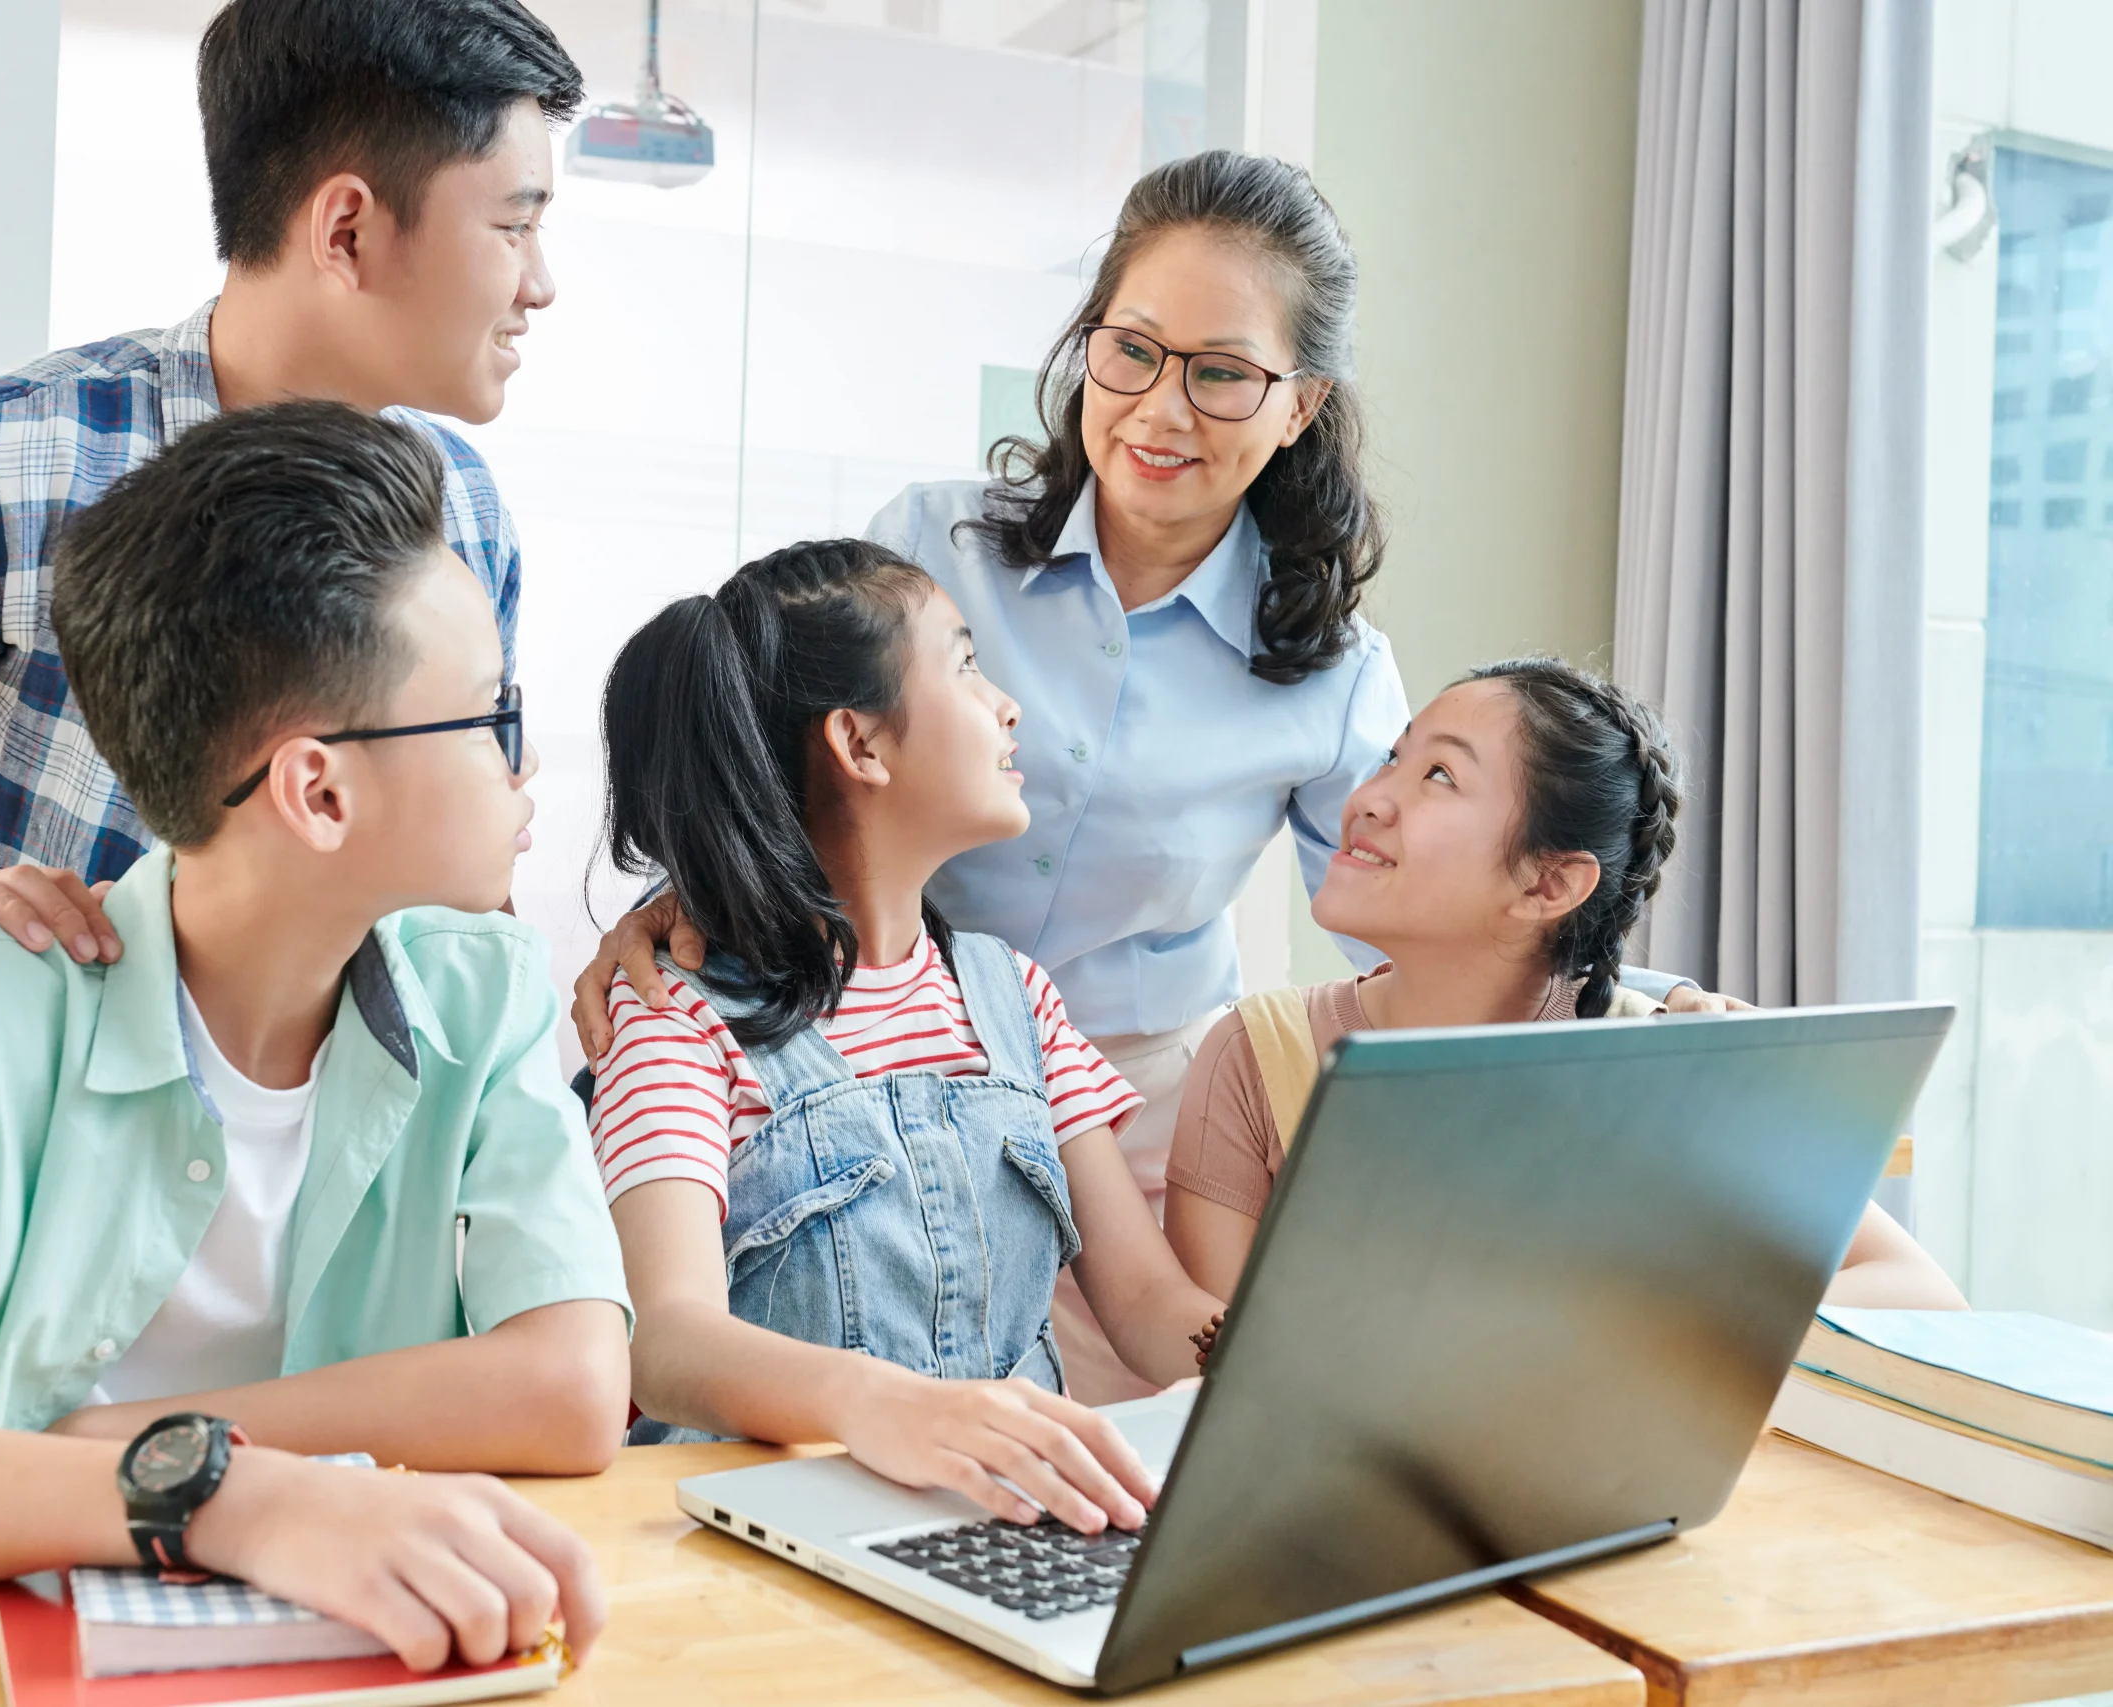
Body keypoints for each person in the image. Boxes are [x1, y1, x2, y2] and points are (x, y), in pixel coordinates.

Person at [575, 150, 1738, 1403]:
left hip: (1122, 1112)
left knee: (1099, 1448)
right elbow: (773, 722)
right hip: (830, 1046)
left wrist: (1633, 1002)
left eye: (1223, 374)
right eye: (1129, 350)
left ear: (1298, 405)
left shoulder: (1333, 673)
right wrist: (688, 906)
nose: (1158, 409)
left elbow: (1444, 915)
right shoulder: (928, 547)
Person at [0, 403, 635, 1669]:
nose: (527, 766)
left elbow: (569, 1387)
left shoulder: (482, 992)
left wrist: (138, 1441)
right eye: (493, 717)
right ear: (319, 791)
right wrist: (231, 1497)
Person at [0, 0, 578, 1098]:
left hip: (307, 1194)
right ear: (346, 230)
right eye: (515, 226)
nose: (541, 283)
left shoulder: (464, 514)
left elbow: (450, 884)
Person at [587, 539, 1224, 1537]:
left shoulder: (1017, 999)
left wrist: (1274, 1363)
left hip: (1002, 1534)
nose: (1006, 705)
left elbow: (1144, 1301)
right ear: (861, 745)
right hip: (773, 1548)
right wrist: (882, 1406)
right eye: (966, 666)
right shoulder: (678, 1016)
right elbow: (665, 1342)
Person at [1161, 657, 1967, 1313]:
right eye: (1393, 758)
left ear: (1548, 887)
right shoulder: (1255, 1058)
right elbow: (1213, 1364)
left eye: (1438, 776)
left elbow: (1918, 1294)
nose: (1370, 797)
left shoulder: (1659, 1058)